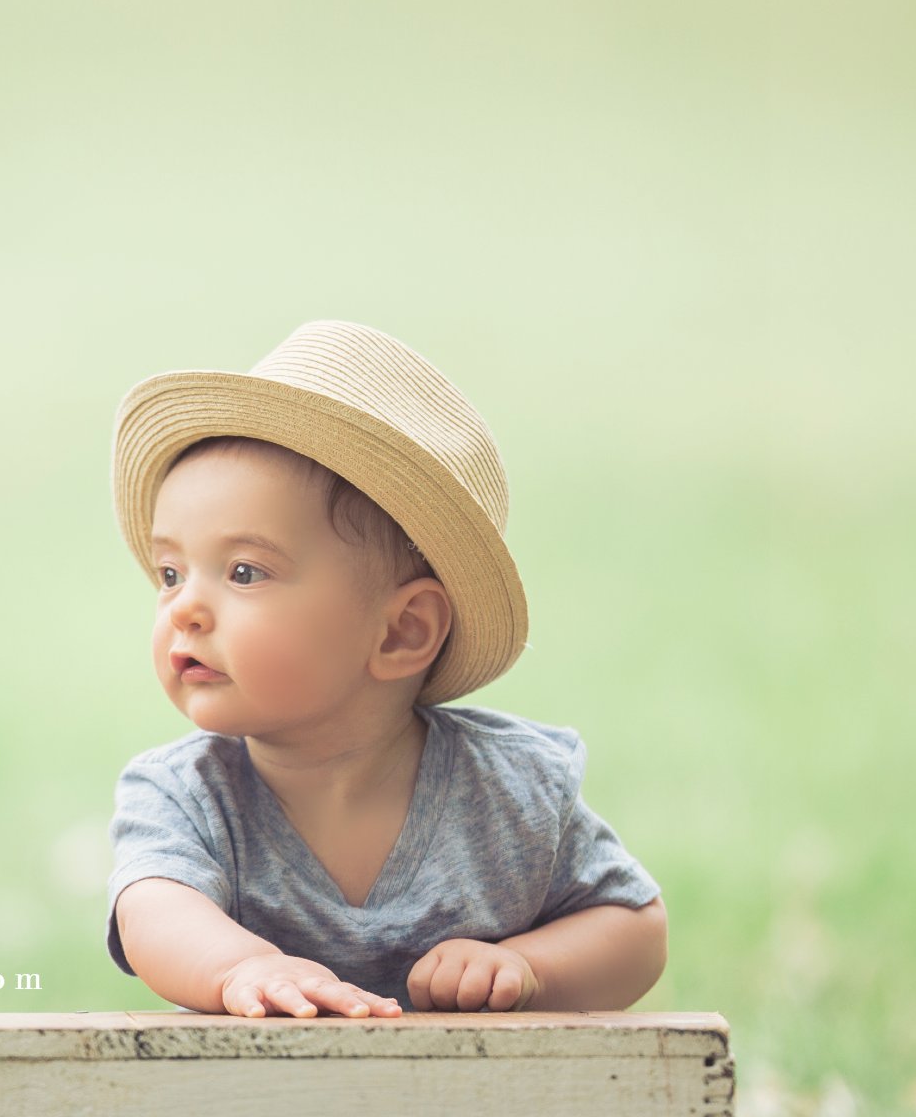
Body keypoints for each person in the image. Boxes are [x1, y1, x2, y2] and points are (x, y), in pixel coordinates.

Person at [104, 320, 668, 1018]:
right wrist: (239, 967)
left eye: (244, 572)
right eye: (169, 572)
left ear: (402, 631)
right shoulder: (183, 795)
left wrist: (527, 966)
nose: (184, 607)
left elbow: (635, 928)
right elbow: (153, 910)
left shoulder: (511, 793)